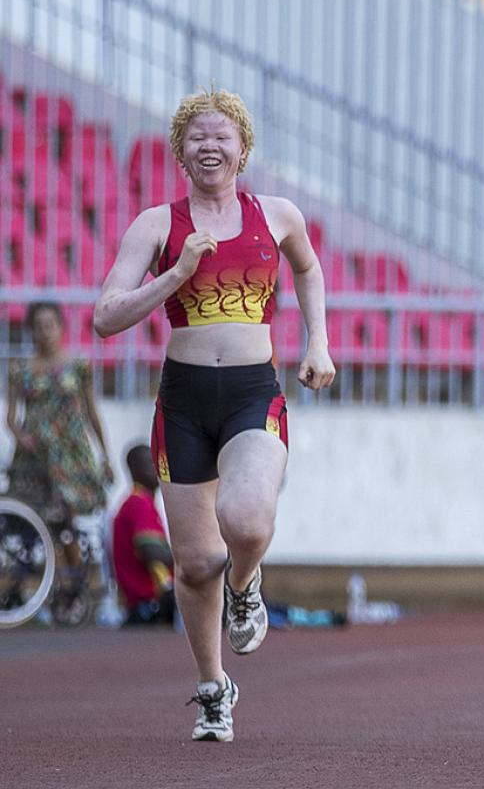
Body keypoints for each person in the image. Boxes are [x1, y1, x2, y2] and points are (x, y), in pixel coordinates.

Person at [93, 88, 335, 742]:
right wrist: (176, 274)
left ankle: (248, 586)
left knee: (247, 517)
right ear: (180, 151)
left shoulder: (276, 215)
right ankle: (212, 689)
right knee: (196, 562)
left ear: (244, 149)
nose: (209, 144)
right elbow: (105, 316)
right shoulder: (155, 225)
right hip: (184, 402)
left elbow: (308, 270)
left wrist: (318, 340)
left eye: (221, 135)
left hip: (256, 391)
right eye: (196, 136)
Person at [6, 301, 113, 613]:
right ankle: (54, 586)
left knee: (66, 514)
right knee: (42, 517)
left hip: (72, 453)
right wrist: (19, 435)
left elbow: (91, 411)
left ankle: (75, 585)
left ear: (61, 327)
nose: (45, 332)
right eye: (38, 327)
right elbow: (11, 417)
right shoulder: (19, 369)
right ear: (30, 331)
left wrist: (104, 454)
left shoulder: (78, 366)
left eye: (50, 325)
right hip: (35, 453)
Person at [111, 444, 175, 625]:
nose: (156, 468)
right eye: (150, 463)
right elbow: (151, 553)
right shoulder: (138, 503)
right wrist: (191, 559)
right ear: (134, 468)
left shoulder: (141, 502)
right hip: (147, 603)